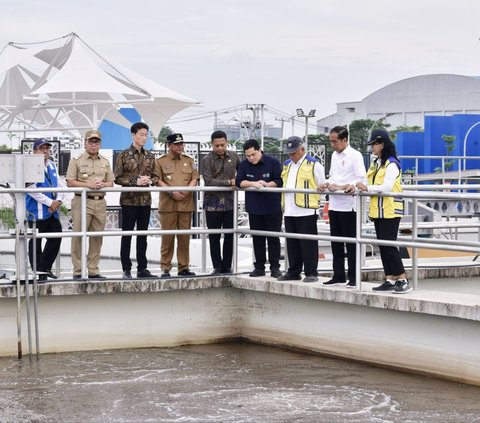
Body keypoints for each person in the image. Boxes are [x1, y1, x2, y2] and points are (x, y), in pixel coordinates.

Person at [356, 129, 411, 293]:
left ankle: (403, 279)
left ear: (382, 144)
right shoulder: (376, 163)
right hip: (379, 211)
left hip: (390, 211)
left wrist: (367, 188)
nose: (372, 148)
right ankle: (390, 279)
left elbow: (386, 187)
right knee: (382, 244)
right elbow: (365, 180)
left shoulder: (391, 163)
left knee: (389, 245)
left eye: (374, 144)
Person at [317, 126, 367, 287]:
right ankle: (338, 275)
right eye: (331, 141)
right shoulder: (334, 155)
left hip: (348, 206)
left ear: (345, 140)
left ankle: (353, 277)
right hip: (334, 204)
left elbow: (361, 179)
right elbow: (333, 175)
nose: (333, 145)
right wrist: (327, 183)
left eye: (335, 141)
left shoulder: (355, 155)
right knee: (336, 242)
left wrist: (341, 186)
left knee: (351, 243)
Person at [66, 129, 114, 279]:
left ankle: (93, 270)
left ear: (100, 144)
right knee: (79, 236)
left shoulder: (105, 161)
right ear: (85, 143)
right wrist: (88, 185)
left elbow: (111, 183)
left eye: (97, 142)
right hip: (82, 200)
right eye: (91, 141)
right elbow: (70, 182)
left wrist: (101, 184)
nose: (94, 144)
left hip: (100, 202)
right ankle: (78, 271)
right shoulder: (76, 160)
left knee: (97, 237)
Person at [277, 136, 325, 283]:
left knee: (308, 243)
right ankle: (294, 271)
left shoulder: (314, 164)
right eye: (289, 152)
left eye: (294, 152)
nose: (291, 155)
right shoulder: (287, 164)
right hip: (290, 209)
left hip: (307, 210)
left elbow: (321, 185)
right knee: (292, 243)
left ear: (302, 149)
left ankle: (311, 272)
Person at [114, 122, 159, 279]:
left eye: (146, 135)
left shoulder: (150, 156)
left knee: (143, 236)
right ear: (133, 135)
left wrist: (149, 180)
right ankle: (126, 268)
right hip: (128, 201)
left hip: (145, 201)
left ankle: (142, 268)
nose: (144, 137)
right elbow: (117, 178)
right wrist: (135, 181)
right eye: (141, 134)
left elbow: (156, 175)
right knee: (127, 235)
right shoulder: (124, 155)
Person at [236, 139, 283, 278]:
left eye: (253, 154)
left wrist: (266, 185)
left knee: (273, 238)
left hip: (272, 207)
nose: (251, 158)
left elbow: (279, 180)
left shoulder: (272, 162)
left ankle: (275, 267)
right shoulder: (244, 165)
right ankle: (259, 267)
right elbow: (239, 182)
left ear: (259, 150)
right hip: (254, 208)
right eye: (248, 155)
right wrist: (253, 183)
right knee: (257, 238)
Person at [155, 133, 199, 278]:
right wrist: (171, 192)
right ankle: (165, 268)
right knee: (167, 238)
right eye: (177, 144)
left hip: (186, 204)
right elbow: (157, 180)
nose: (181, 147)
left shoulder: (190, 161)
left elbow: (195, 178)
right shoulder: (160, 162)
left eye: (182, 144)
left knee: (184, 238)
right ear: (169, 145)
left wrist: (188, 190)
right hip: (168, 205)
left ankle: (184, 267)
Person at [26, 139, 66, 281]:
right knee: (35, 242)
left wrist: (59, 201)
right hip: (36, 212)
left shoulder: (52, 166)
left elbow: (61, 185)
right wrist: (51, 202)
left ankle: (45, 267)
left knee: (56, 237)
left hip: (52, 212)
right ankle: (38, 271)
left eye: (47, 149)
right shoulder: (30, 166)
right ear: (34, 151)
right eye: (41, 148)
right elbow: (31, 190)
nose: (45, 151)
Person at [201, 130, 240, 274]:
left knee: (230, 235)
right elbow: (209, 181)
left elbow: (241, 173)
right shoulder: (206, 159)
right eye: (216, 145)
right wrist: (229, 182)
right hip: (213, 204)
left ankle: (227, 266)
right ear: (212, 144)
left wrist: (240, 181)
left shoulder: (235, 156)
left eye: (222, 145)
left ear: (227, 143)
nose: (220, 148)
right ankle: (217, 266)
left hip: (230, 203)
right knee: (214, 236)